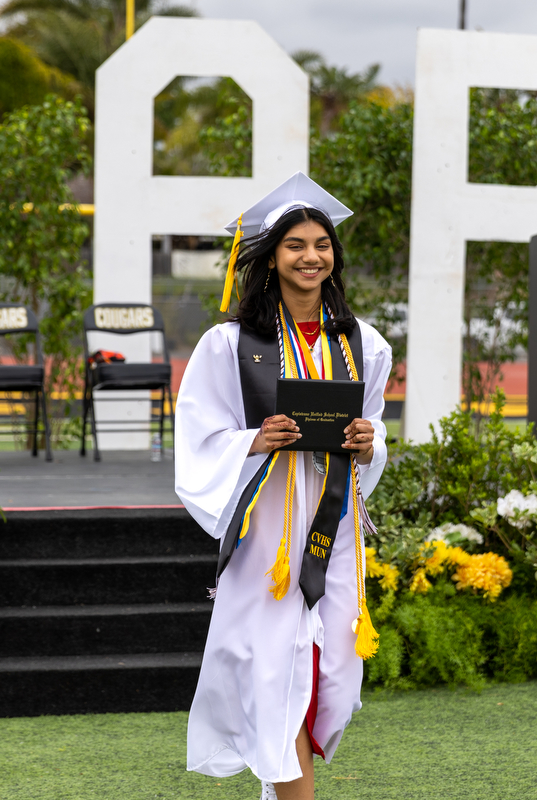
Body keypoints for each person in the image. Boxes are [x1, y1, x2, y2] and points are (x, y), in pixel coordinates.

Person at [176, 172, 393, 800]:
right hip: (268, 535)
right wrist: (253, 440)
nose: (310, 256)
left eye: (321, 244)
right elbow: (200, 435)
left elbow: (375, 427)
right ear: (271, 256)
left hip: (332, 530)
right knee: (273, 670)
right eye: (295, 244)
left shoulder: (364, 344)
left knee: (332, 676)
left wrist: (367, 441)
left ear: (335, 256)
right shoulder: (229, 346)